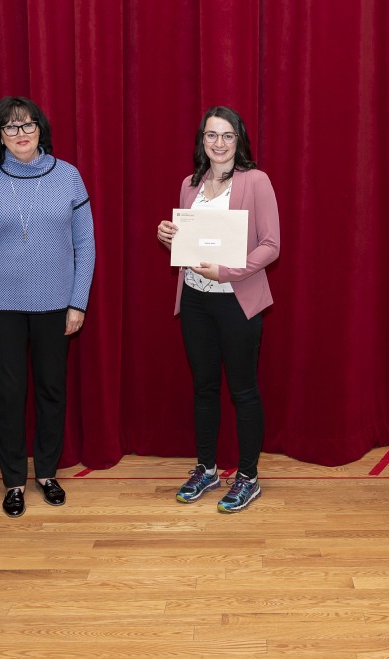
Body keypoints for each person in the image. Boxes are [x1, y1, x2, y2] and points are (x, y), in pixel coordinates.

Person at [0, 97, 96, 519]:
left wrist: (77, 301)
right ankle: (12, 481)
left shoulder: (69, 177)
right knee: (8, 395)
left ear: (40, 130)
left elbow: (86, 245)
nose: (21, 134)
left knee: (51, 390)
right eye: (11, 128)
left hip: (54, 304)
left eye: (28, 125)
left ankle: (46, 472)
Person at [156, 106, 280, 513]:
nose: (220, 143)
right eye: (212, 135)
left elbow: (270, 245)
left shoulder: (256, 181)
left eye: (227, 135)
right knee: (204, 388)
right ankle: (207, 469)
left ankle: (248, 477)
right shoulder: (189, 185)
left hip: (237, 300)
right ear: (202, 140)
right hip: (195, 299)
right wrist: (168, 234)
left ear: (238, 139)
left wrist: (228, 271)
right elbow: (189, 245)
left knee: (243, 391)